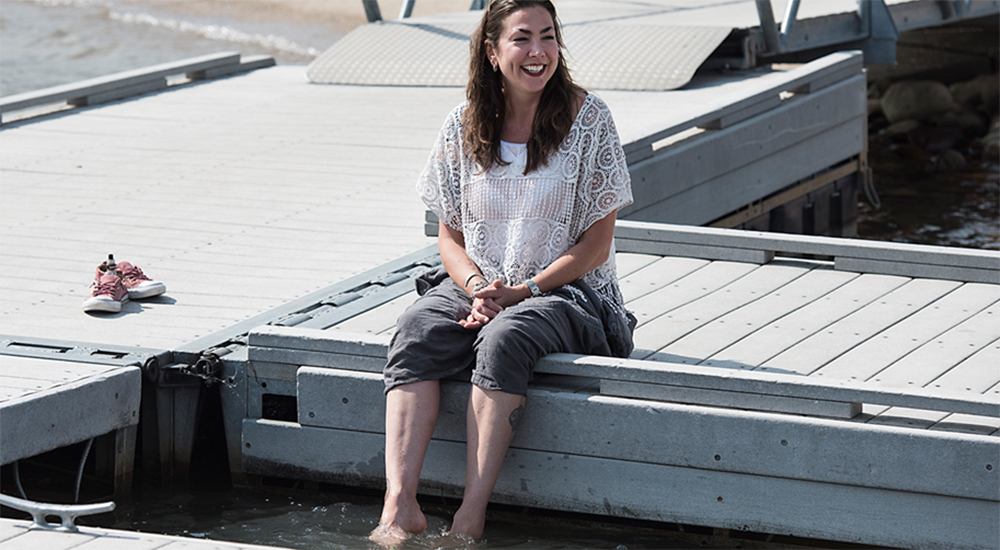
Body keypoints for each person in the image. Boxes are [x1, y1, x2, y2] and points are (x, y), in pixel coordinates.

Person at [369, 0, 635, 545]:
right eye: (521, 39)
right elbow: (450, 237)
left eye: (547, 36)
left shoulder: (591, 120)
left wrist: (524, 290)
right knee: (416, 328)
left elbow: (595, 245)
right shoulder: (463, 124)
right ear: (492, 52)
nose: (537, 52)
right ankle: (399, 508)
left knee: (504, 338)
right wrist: (475, 288)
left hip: (568, 291)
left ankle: (470, 518)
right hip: (483, 284)